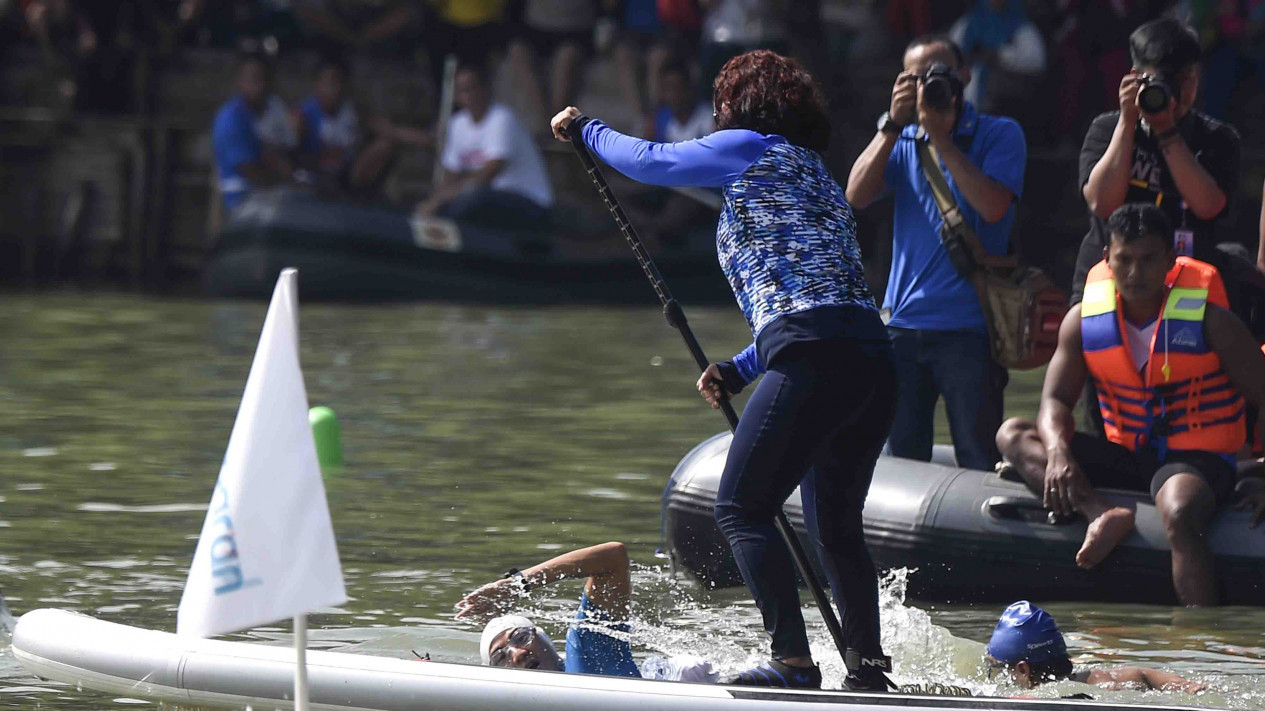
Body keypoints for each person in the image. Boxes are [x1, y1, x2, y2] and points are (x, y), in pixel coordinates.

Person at [550, 49, 898, 691]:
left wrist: (589, 131)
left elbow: (654, 163)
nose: (715, 117)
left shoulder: (749, 147)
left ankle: (793, 663)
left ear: (744, 105)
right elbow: (816, 296)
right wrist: (739, 368)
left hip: (818, 358)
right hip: (872, 364)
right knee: (837, 530)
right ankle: (869, 672)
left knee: (741, 505)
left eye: (721, 104)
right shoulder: (818, 176)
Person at [995, 203, 1265, 606]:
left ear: (1171, 260)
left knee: (1177, 511)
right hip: (1128, 454)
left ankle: (1200, 639)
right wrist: (1057, 452)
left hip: (1197, 459)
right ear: (1107, 258)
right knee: (1012, 433)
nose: (1135, 273)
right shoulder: (1083, 320)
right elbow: (1054, 401)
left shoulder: (1214, 323)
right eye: (1124, 259)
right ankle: (1100, 514)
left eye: (1149, 260)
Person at [844, 34, 1026, 471]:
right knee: (901, 459)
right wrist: (892, 123)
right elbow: (856, 195)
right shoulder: (901, 137)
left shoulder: (999, 133)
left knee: (978, 456)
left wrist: (942, 139)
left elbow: (993, 205)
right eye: (917, 77)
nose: (929, 85)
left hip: (972, 330)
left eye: (939, 74)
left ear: (964, 76)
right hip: (903, 325)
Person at [456, 542, 716, 682]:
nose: (518, 655)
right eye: (500, 657)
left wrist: (518, 584)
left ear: (545, 640)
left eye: (520, 637)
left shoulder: (586, 655)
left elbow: (612, 558)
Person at [415, 64, 553, 230]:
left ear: (485, 89)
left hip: (529, 200)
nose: (470, 95)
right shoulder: (457, 124)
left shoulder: (502, 119)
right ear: (457, 96)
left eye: (473, 87)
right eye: (464, 90)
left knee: (473, 199)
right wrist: (433, 201)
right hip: (489, 198)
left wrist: (442, 200)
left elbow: (490, 172)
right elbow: (450, 173)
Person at [984, 601, 1206, 694]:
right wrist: (1188, 686)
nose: (1002, 676)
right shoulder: (1098, 678)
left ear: (1023, 670)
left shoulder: (1044, 698)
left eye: (1003, 668)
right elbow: (1143, 673)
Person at [295, 55, 397, 196]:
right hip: (316, 173)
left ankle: (361, 196)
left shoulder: (353, 111)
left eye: (337, 83)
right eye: (328, 83)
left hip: (345, 175)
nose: (333, 89)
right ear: (316, 84)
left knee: (385, 144)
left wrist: (426, 138)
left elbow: (388, 130)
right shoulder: (303, 114)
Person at [212, 52, 299, 212]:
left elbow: (285, 149)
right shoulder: (231, 117)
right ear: (239, 81)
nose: (258, 84)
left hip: (265, 196)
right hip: (241, 200)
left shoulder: (267, 112)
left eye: (263, 78)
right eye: (251, 78)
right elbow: (250, 171)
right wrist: (291, 183)